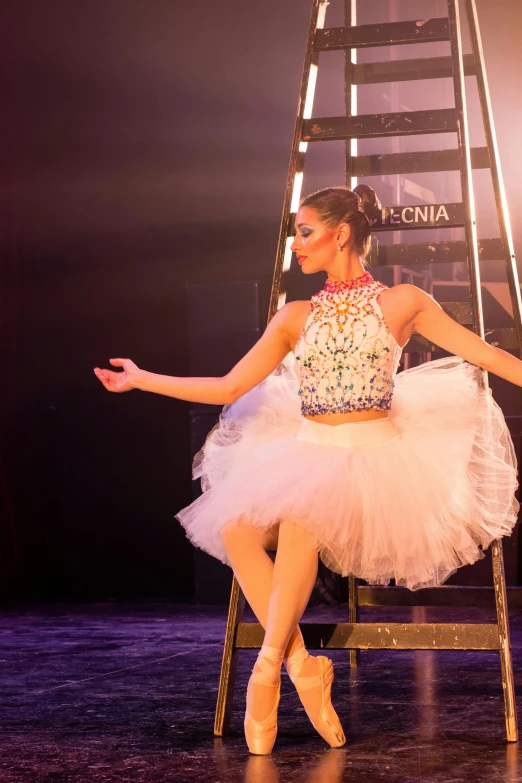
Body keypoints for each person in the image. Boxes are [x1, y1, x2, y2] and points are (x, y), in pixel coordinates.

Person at [94, 184, 520, 756]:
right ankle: (302, 665)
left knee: (300, 516)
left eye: (305, 231)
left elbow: (487, 356)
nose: (296, 244)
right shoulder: (295, 315)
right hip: (307, 447)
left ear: (341, 234)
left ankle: (265, 674)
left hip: (374, 458)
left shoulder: (403, 302)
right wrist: (142, 378)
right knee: (236, 528)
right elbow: (229, 386)